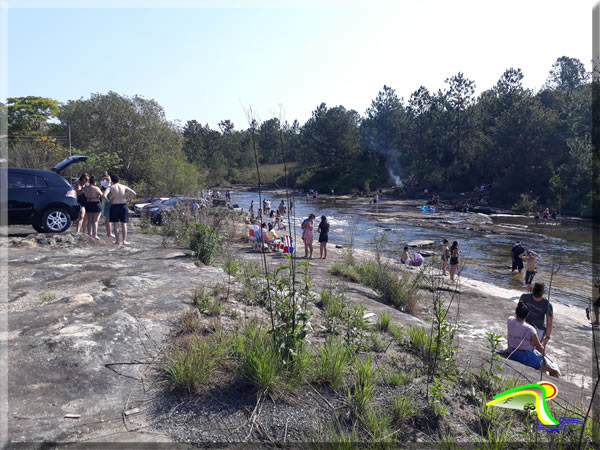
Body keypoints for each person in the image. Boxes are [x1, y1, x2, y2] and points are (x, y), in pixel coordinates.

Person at [506, 301, 559, 377]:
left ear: (516, 312)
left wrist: (508, 348)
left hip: (512, 351)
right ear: (527, 315)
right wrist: (548, 358)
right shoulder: (530, 329)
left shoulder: (510, 320)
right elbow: (539, 347)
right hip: (526, 356)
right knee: (554, 369)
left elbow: (509, 335)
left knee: (545, 364)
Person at [103, 174, 136, 246]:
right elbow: (134, 193)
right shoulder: (123, 186)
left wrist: (108, 201)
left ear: (112, 180)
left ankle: (117, 240)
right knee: (124, 224)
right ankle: (124, 240)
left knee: (115, 224)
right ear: (119, 180)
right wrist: (127, 200)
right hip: (123, 205)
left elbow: (104, 196)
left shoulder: (110, 187)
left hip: (114, 206)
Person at [100, 173, 114, 237]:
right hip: (108, 198)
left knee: (107, 217)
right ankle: (109, 233)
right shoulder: (105, 183)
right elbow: (108, 179)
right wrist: (107, 176)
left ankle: (109, 232)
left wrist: (106, 175)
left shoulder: (104, 182)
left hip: (106, 198)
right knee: (108, 218)